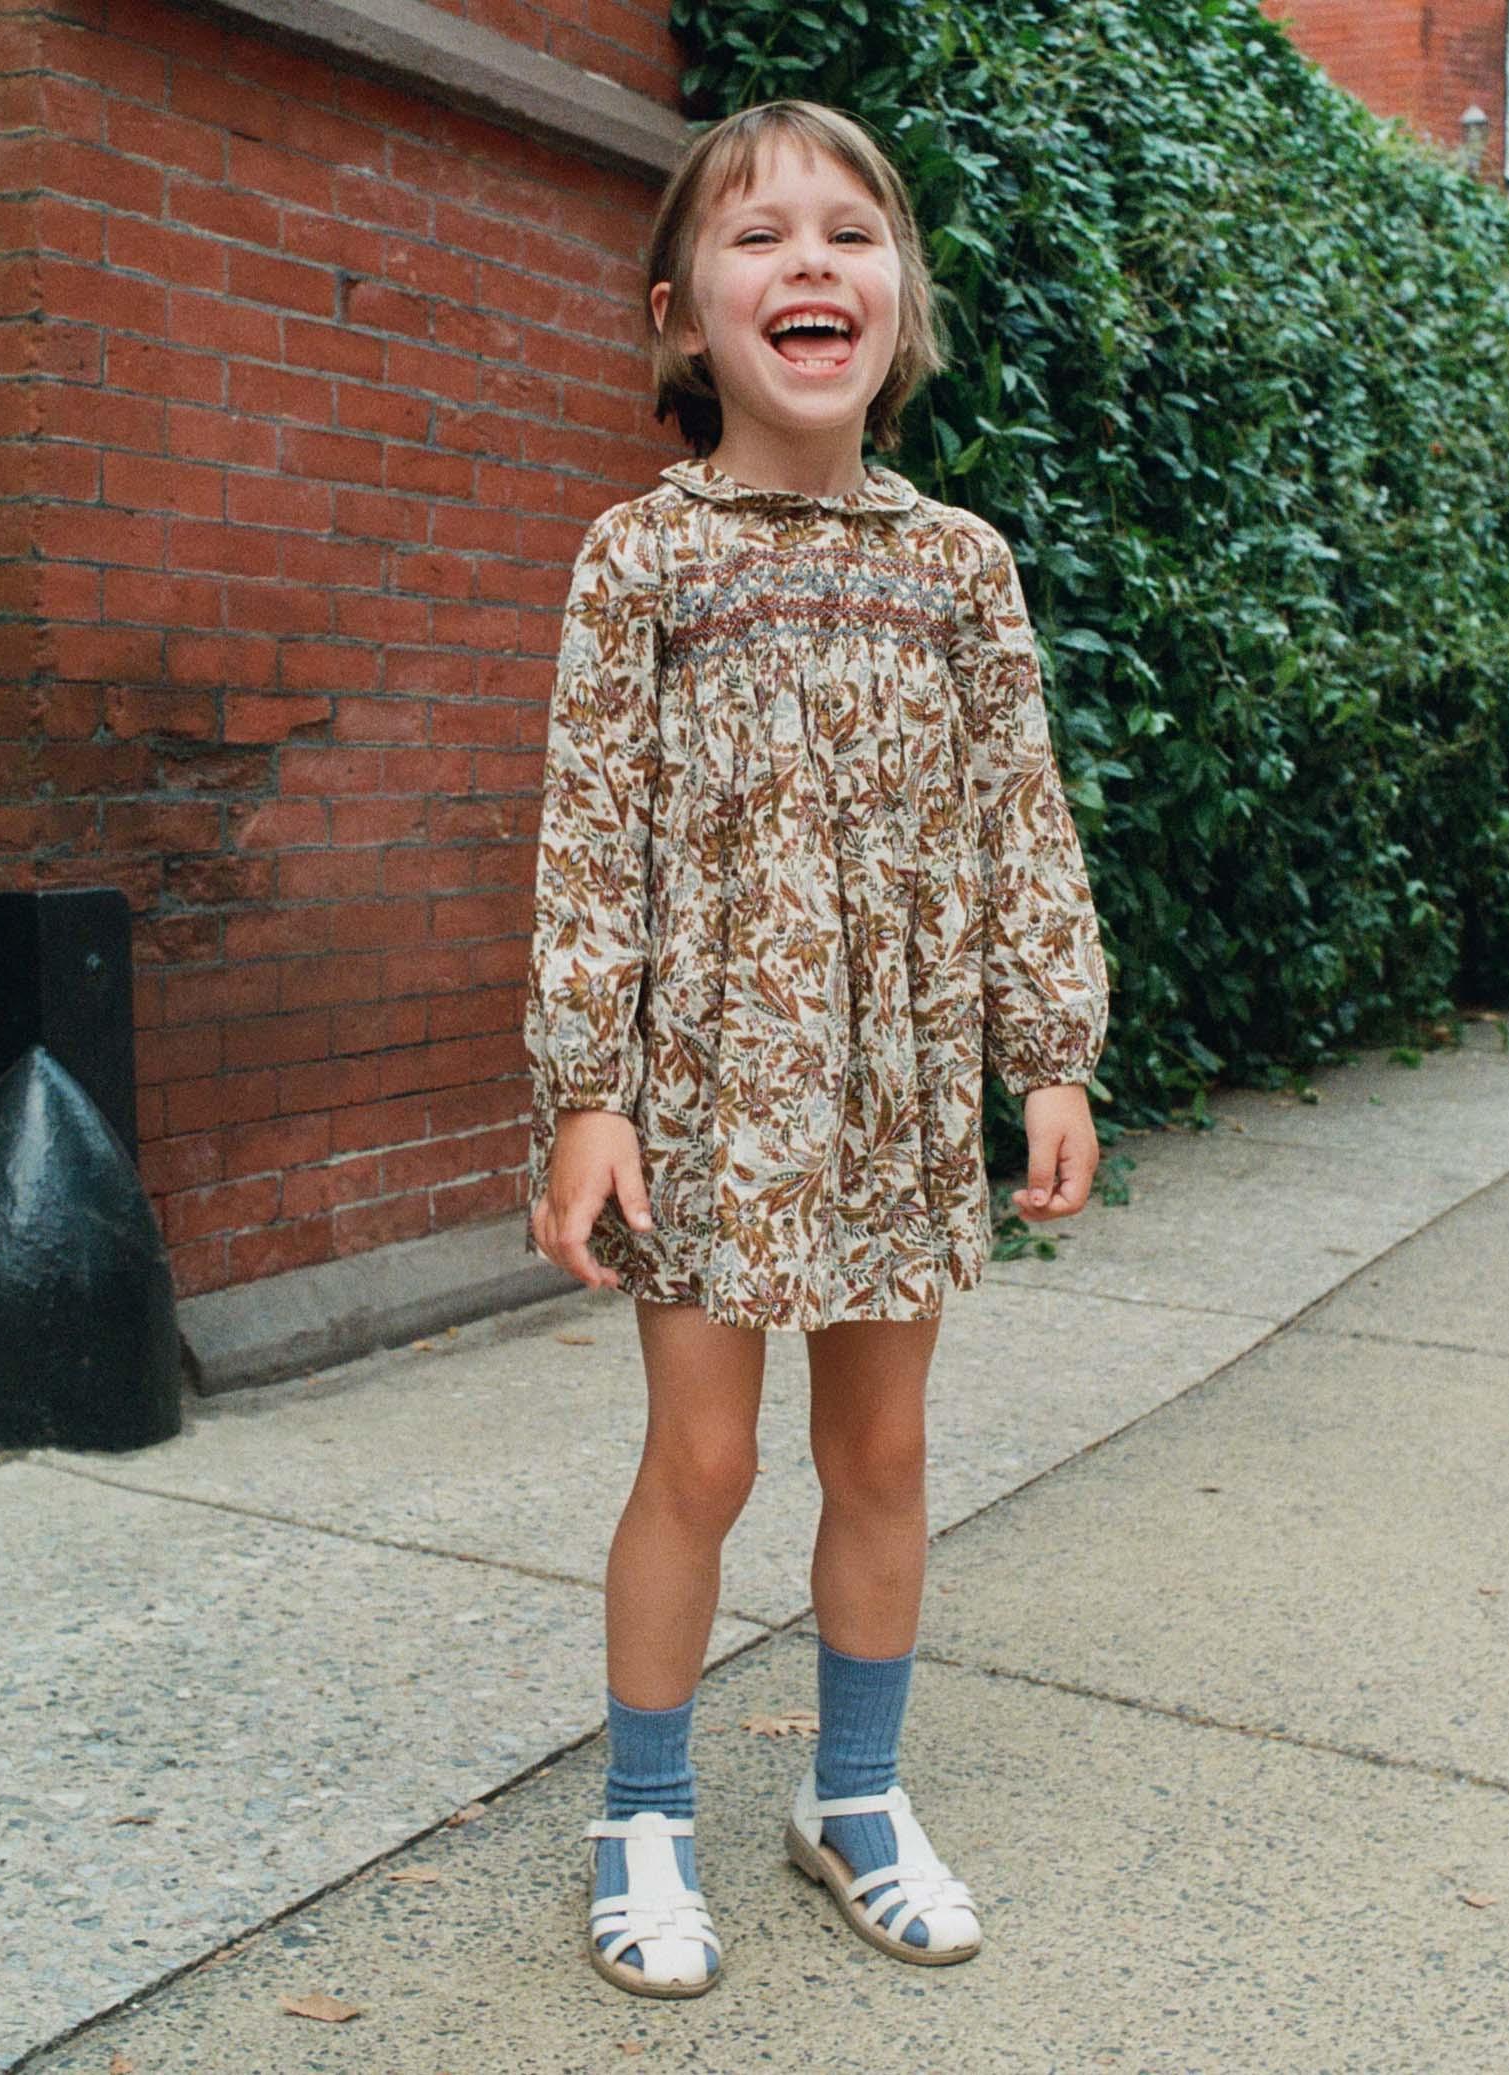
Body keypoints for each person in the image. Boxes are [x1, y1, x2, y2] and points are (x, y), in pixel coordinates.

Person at [523, 97, 1110, 1999]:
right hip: (699, 1091)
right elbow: (587, 829)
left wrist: (1051, 1048)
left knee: (887, 1448)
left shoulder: (961, 567)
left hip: (897, 1085)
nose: (809, 265)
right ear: (684, 315)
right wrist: (585, 1095)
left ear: (901, 300)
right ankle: (643, 1813)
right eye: (759, 238)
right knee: (697, 1462)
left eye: (849, 234)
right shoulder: (641, 560)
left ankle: (855, 1800)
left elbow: (1025, 814)